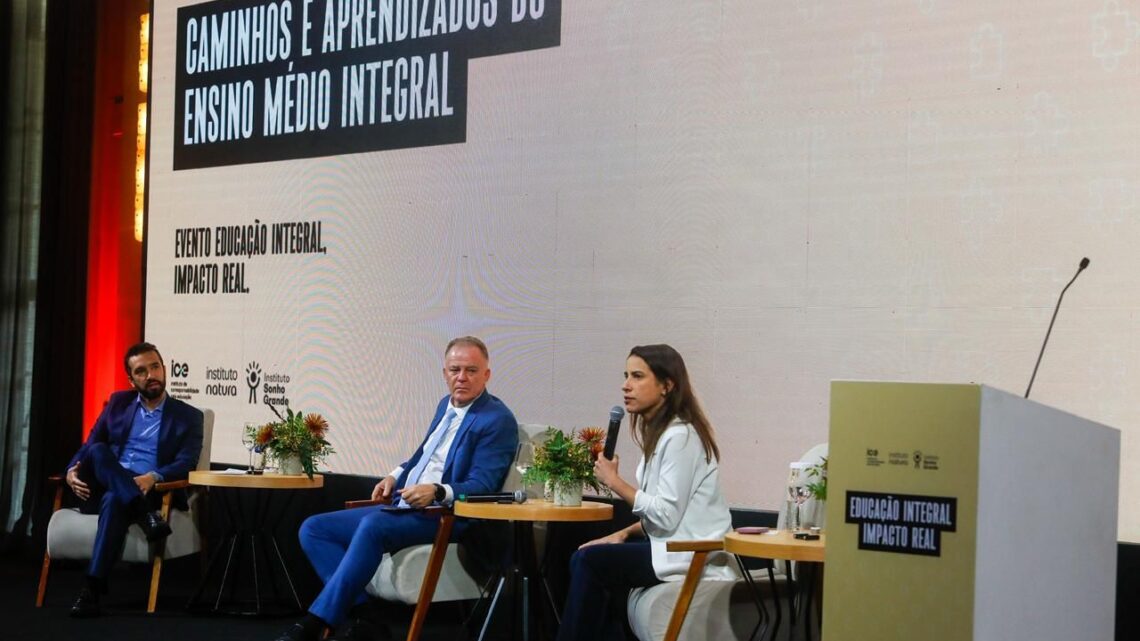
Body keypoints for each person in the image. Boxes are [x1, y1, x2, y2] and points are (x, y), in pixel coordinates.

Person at [275, 336, 518, 641]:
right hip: (409, 504)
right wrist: (394, 475)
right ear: (444, 372)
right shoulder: (446, 405)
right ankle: (368, 619)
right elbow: (422, 457)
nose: (462, 377)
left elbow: (482, 486)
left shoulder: (497, 420)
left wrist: (437, 490)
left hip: (448, 515)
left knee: (373, 524)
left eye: (471, 370)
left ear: (487, 375)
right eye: (455, 369)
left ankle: (316, 622)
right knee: (314, 529)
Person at [557, 344, 735, 641]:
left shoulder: (681, 437)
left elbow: (666, 515)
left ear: (666, 385)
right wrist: (623, 533)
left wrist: (614, 481)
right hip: (668, 546)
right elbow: (669, 511)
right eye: (626, 375)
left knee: (590, 563)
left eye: (637, 376)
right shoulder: (665, 435)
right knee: (583, 556)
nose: (626, 386)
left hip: (692, 554)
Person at [65, 342, 205, 618]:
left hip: (147, 489)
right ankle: (145, 516)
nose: (150, 374)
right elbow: (90, 444)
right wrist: (71, 470)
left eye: (155, 367)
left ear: (165, 370)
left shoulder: (189, 416)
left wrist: (153, 477)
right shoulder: (118, 403)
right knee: (98, 451)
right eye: (141, 371)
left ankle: (92, 589)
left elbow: (186, 462)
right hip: (104, 488)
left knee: (116, 497)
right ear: (131, 379)